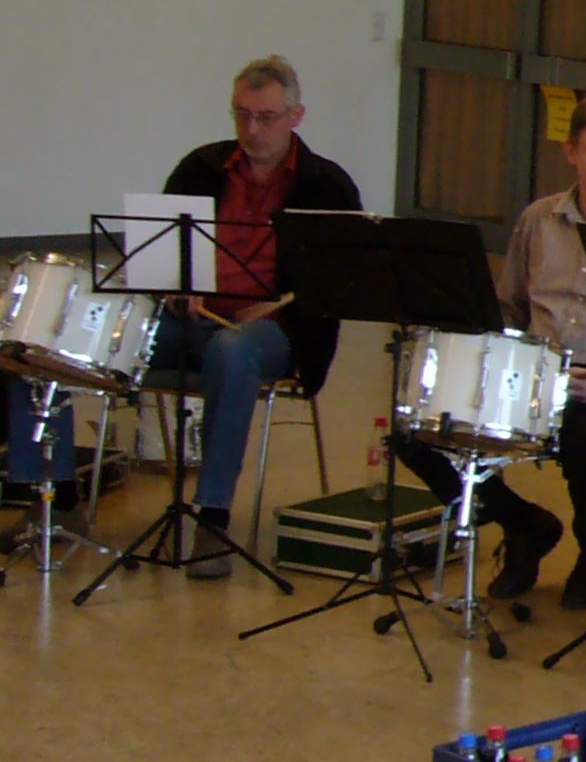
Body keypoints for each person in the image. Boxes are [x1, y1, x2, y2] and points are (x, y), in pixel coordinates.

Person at [2, 56, 362, 576]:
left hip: (275, 332)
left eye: (265, 117)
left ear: (296, 116)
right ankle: (54, 500)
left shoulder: (327, 185)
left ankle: (212, 517)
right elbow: (162, 256)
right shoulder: (202, 167)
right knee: (46, 340)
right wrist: (174, 288)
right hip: (189, 322)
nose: (251, 129)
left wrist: (280, 304)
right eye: (242, 114)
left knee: (233, 349)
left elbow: (340, 285)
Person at [390, 93, 586, 608]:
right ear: (571, 152)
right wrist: (495, 362)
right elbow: (509, 306)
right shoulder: (539, 219)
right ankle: (523, 523)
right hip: (533, 375)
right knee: (416, 431)